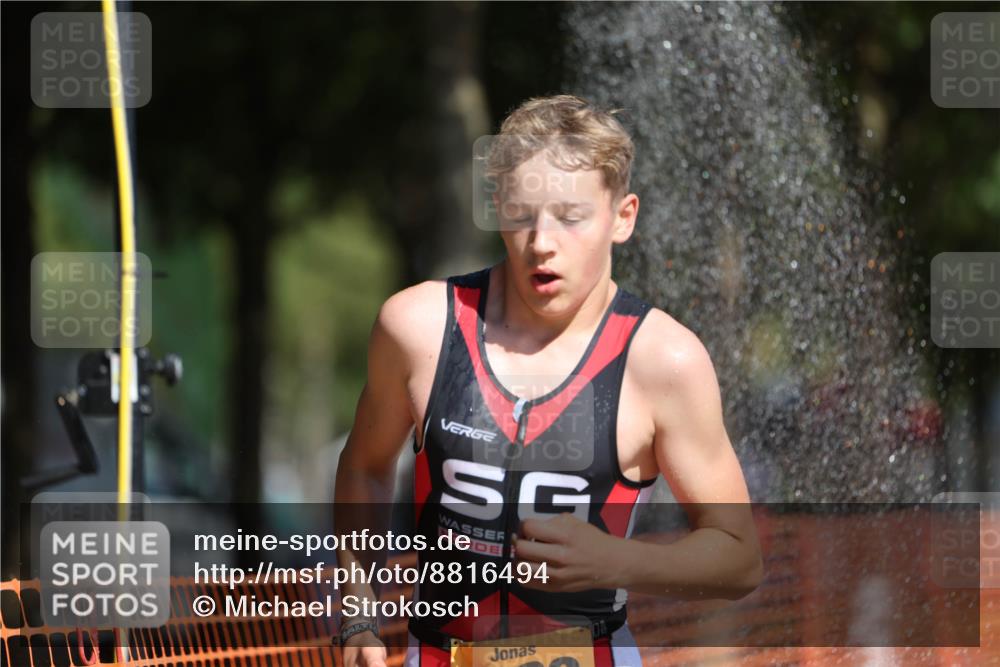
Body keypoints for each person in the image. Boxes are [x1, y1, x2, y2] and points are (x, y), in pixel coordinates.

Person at [334, 94, 762, 667]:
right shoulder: (418, 327)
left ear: (623, 216)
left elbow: (738, 558)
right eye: (521, 214)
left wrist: (617, 562)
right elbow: (364, 466)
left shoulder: (665, 362)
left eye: (570, 216)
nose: (541, 242)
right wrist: (357, 613)